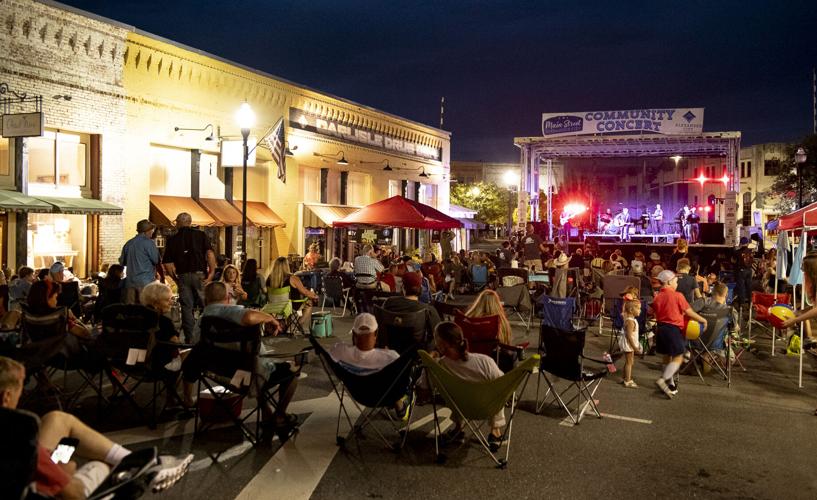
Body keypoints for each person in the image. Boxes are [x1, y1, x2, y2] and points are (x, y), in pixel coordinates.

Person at [0, 356, 193, 497]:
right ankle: (142, 467)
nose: (23, 393)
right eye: (21, 385)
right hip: (46, 490)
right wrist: (64, 472)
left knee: (57, 420)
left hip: (35, 473)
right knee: (101, 466)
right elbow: (73, 495)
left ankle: (144, 464)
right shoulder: (18, 439)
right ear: (6, 396)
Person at [181, 281, 298, 430]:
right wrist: (270, 318)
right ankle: (280, 415)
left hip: (219, 374)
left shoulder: (203, 322)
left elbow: (193, 353)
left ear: (206, 300)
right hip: (247, 376)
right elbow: (249, 317)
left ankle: (267, 413)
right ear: (228, 297)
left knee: (253, 363)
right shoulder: (231, 312)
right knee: (292, 368)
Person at [430, 322, 506, 449]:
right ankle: (495, 432)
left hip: (460, 407)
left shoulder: (439, 366)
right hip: (486, 408)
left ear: (441, 344)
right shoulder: (484, 362)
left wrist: (431, 357)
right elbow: (503, 384)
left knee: (456, 392)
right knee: (498, 390)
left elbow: (424, 389)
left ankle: (458, 428)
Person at [650, 270, 708, 399]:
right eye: (676, 281)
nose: (677, 283)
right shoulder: (678, 296)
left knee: (666, 356)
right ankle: (664, 379)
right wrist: (702, 319)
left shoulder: (657, 296)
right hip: (673, 329)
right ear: (669, 282)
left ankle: (669, 383)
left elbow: (653, 311)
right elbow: (689, 312)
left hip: (661, 329)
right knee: (678, 357)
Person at [162, 212, 217, 344]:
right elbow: (209, 254)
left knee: (186, 307)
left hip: (183, 275)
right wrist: (212, 272)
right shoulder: (201, 235)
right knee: (207, 304)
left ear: (179, 223)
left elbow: (167, 264)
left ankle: (190, 338)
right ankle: (210, 334)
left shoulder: (172, 240)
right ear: (190, 222)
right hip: (199, 274)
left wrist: (175, 279)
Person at [381, 271, 441, 348]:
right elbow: (439, 335)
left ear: (403, 287)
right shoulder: (427, 309)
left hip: (390, 351)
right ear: (421, 289)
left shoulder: (389, 302)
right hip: (415, 354)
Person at [118, 219, 160, 305]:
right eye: (151, 231)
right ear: (147, 231)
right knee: (145, 309)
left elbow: (122, 262)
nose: (152, 233)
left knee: (131, 310)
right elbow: (156, 260)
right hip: (146, 282)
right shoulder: (149, 243)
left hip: (130, 282)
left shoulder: (128, 243)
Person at [619, 299, 643, 388]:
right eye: (639, 308)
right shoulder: (630, 321)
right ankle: (627, 380)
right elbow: (629, 336)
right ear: (631, 310)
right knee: (629, 362)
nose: (640, 310)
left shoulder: (632, 320)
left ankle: (624, 377)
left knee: (629, 361)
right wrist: (635, 347)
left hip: (630, 344)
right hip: (629, 344)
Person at [734, 237, 754, 307]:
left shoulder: (738, 252)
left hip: (741, 271)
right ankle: (750, 301)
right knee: (749, 286)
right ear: (747, 243)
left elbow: (733, 259)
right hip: (749, 270)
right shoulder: (750, 251)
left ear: (741, 243)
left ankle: (742, 303)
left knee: (741, 286)